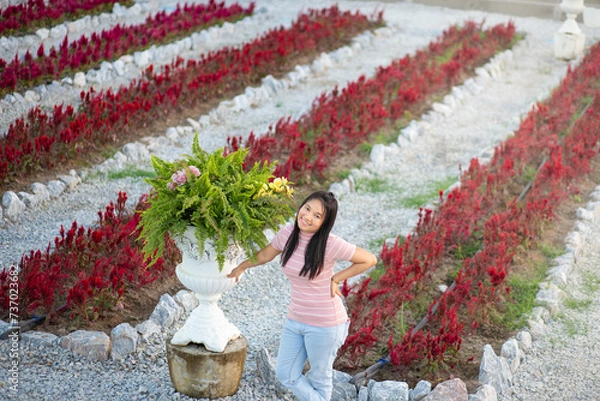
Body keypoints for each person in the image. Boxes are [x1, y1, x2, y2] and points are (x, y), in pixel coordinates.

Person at [228, 191, 378, 401]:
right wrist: (241, 267)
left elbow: (369, 259)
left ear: (325, 223)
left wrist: (336, 278)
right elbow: (265, 254)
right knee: (285, 373)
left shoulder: (330, 243)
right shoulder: (288, 233)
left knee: (319, 379)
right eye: (307, 208)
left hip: (326, 324)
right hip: (295, 319)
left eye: (317, 216)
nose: (308, 216)